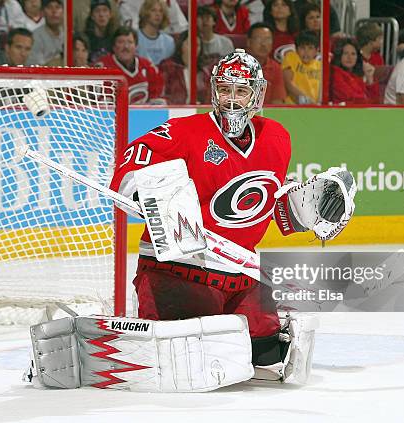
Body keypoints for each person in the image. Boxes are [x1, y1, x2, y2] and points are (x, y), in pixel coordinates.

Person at [109, 48, 353, 382]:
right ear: (214, 90)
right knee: (193, 358)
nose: (232, 99)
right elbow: (130, 163)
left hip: (239, 273)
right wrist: (139, 188)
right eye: (225, 89)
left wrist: (306, 209)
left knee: (266, 351)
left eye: (241, 90)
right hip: (177, 272)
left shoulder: (277, 138)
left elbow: (270, 207)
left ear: (257, 93)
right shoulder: (183, 131)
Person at [96, 26, 165, 105]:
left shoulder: (148, 67)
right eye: (121, 42)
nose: (126, 47)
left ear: (136, 46)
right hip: (115, 116)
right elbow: (101, 105)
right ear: (114, 47)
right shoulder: (103, 68)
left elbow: (158, 101)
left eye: (130, 42)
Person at [159, 31, 209, 104]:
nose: (194, 48)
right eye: (190, 44)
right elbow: (161, 94)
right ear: (181, 46)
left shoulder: (204, 72)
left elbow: (209, 99)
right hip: (174, 110)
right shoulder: (168, 67)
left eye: (197, 45)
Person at [330, 37, 378, 104]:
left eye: (353, 54)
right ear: (339, 55)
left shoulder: (355, 76)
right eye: (345, 53)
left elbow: (375, 102)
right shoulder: (334, 73)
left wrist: (370, 78)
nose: (350, 57)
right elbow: (352, 98)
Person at [246, 22, 286, 104]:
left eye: (267, 39)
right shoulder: (237, 66)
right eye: (258, 39)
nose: (263, 44)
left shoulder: (275, 68)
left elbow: (277, 102)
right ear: (249, 42)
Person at [282, 30, 320, 104]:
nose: (306, 52)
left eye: (310, 48)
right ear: (296, 49)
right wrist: (308, 101)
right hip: (292, 107)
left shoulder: (320, 65)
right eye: (302, 48)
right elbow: (288, 83)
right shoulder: (291, 57)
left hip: (315, 108)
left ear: (316, 51)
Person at [137, 0, 175, 66]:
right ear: (145, 13)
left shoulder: (169, 41)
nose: (158, 14)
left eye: (161, 11)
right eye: (153, 10)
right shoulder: (135, 37)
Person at [118, 0, 187, 35]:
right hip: (139, 42)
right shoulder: (129, 2)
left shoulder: (169, 1)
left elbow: (181, 27)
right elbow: (131, 30)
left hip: (166, 41)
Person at [27, 0, 63, 65]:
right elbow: (35, 68)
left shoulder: (67, 34)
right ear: (42, 12)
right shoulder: (35, 37)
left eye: (57, 7)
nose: (54, 11)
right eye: (49, 7)